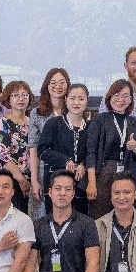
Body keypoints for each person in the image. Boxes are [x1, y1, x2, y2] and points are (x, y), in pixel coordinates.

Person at [86, 79, 136, 219]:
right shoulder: (100, 119)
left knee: (127, 217)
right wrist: (91, 182)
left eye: (125, 96)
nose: (120, 99)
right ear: (109, 97)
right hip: (103, 175)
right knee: (100, 218)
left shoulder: (135, 123)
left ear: (130, 99)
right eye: (116, 95)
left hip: (128, 175)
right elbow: (91, 152)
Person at [37, 83, 92, 215]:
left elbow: (94, 152)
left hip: (81, 186)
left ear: (87, 101)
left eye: (81, 99)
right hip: (56, 183)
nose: (76, 102)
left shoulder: (91, 126)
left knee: (80, 222)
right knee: (55, 219)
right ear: (66, 99)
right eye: (72, 98)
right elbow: (42, 151)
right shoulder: (54, 123)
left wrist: (84, 164)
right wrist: (65, 161)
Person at [0, 80, 39, 215]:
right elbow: (3, 156)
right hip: (11, 180)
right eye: (15, 95)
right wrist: (22, 180)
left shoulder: (32, 123)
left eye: (24, 95)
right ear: (8, 99)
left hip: (32, 180)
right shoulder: (3, 123)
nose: (21, 99)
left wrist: (32, 180)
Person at [30, 68, 69, 211]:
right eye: (53, 82)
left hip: (68, 170)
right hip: (43, 171)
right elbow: (33, 148)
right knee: (43, 214)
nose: (57, 86)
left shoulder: (73, 111)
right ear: (46, 85)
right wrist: (34, 180)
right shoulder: (37, 113)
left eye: (62, 82)